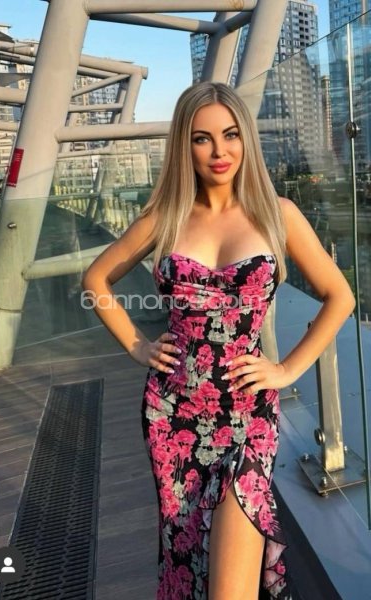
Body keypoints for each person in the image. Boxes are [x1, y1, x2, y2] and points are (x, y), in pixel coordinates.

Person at [82, 82, 355, 600]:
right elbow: (96, 280)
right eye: (201, 138)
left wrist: (287, 369)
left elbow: (339, 296)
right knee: (186, 556)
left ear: (245, 138)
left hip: (248, 413)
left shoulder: (277, 213)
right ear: (183, 146)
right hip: (173, 414)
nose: (218, 151)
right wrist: (138, 346)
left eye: (230, 135)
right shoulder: (165, 218)